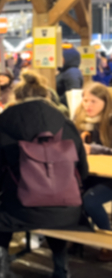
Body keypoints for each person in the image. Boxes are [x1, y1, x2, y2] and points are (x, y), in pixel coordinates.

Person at [0, 71, 89, 278]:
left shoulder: (6, 124)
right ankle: (61, 268)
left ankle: (2, 266)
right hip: (68, 211)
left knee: (3, 212)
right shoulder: (66, 123)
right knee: (55, 202)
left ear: (17, 98)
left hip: (20, 209)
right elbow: (83, 170)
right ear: (47, 96)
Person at [73, 82, 112, 261]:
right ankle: (79, 238)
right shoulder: (79, 121)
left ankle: (108, 242)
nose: (87, 105)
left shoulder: (110, 122)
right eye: (85, 100)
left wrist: (95, 149)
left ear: (105, 102)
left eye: (93, 101)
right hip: (88, 173)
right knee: (73, 197)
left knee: (90, 201)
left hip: (108, 177)